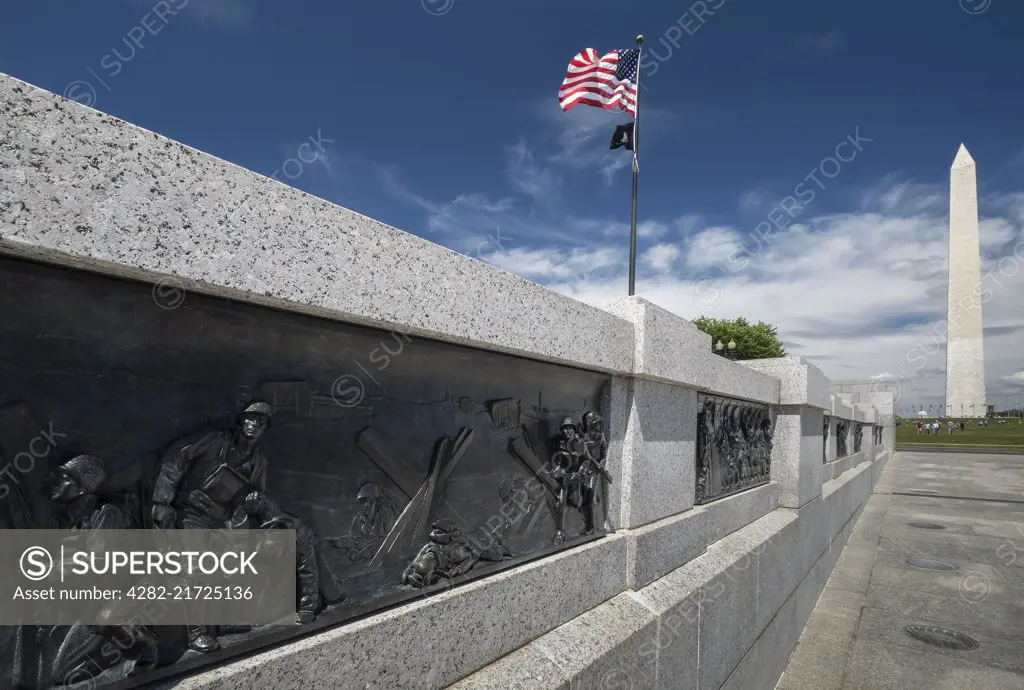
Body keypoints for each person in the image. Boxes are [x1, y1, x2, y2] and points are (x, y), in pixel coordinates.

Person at [150, 400, 272, 653]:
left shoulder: (259, 463)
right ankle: (196, 632)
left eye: (260, 422)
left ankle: (221, 622)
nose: (254, 424)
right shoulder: (214, 441)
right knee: (198, 571)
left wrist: (251, 504)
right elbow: (177, 454)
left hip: (221, 520)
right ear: (241, 420)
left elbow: (256, 497)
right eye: (250, 418)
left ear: (264, 429)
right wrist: (162, 499)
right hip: (191, 513)